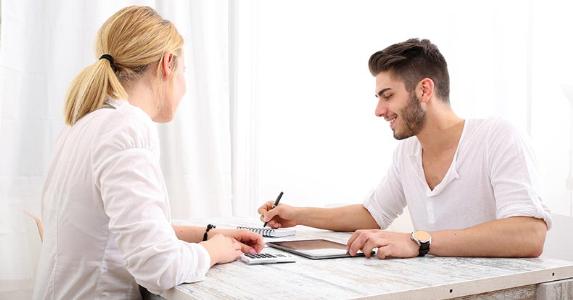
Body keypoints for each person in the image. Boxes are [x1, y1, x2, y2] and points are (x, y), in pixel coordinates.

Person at [33, 6, 264, 300]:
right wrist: (213, 251)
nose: (185, 85)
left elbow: (126, 228)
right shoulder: (126, 127)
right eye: (184, 71)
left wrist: (209, 234)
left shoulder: (84, 123)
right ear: (168, 63)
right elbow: (159, 267)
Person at [258, 38, 551, 260]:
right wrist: (296, 214)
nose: (378, 110)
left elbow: (529, 233)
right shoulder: (408, 153)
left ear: (424, 90)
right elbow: (371, 215)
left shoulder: (496, 137)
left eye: (387, 96)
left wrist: (418, 241)